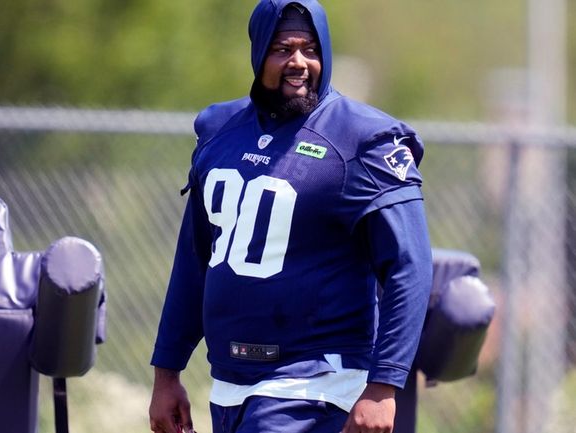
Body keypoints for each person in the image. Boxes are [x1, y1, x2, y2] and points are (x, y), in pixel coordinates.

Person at [149, 1, 432, 432]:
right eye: (283, 48)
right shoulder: (220, 130)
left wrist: (383, 386)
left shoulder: (363, 139)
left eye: (310, 49)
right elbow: (196, 260)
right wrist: (166, 372)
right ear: (259, 52)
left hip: (315, 388)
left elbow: (409, 265)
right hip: (230, 386)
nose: (299, 62)